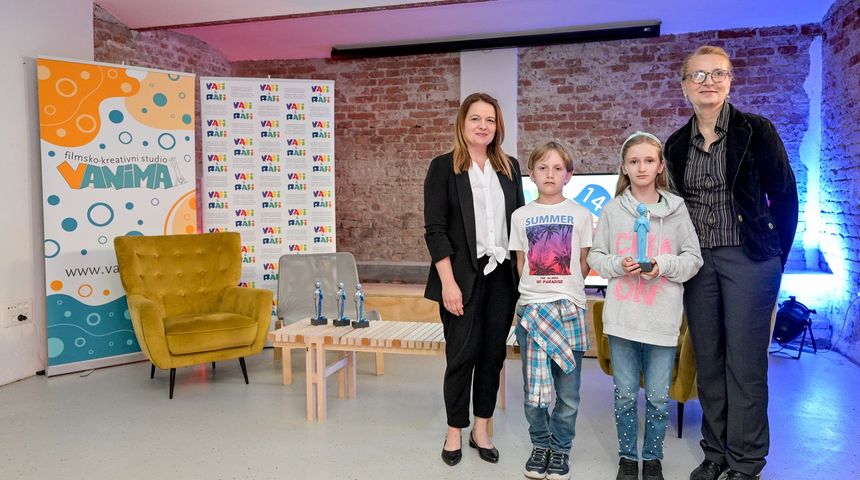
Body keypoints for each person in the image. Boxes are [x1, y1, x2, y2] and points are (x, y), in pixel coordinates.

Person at [664, 46, 799, 480]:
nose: (708, 82)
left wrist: (775, 258)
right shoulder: (676, 144)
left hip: (750, 260)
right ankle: (716, 452)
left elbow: (785, 196)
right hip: (699, 265)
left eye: (717, 73)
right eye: (698, 75)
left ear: (730, 80)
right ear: (684, 86)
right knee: (708, 360)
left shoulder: (756, 130)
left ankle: (746, 461)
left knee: (745, 364)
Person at [588, 131, 703, 480]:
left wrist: (662, 265)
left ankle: (652, 458)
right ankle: (627, 457)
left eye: (649, 160)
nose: (641, 167)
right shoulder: (612, 210)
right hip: (622, 319)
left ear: (660, 166)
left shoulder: (677, 210)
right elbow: (596, 256)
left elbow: (693, 259)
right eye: (634, 161)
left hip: (661, 320)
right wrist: (617, 264)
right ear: (624, 167)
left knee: (657, 397)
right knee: (624, 394)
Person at [423, 92, 524, 466]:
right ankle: (454, 430)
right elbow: (435, 230)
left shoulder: (509, 168)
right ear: (462, 124)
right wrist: (448, 283)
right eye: (476, 119)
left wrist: (526, 279)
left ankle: (481, 429)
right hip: (460, 277)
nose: (483, 126)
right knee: (461, 356)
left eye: (490, 120)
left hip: (502, 279)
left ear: (498, 126)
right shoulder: (443, 167)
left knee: (492, 356)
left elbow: (519, 226)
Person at [508, 141, 591, 480]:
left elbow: (584, 263)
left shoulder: (581, 214)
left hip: (569, 311)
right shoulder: (520, 216)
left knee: (568, 392)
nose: (550, 174)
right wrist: (537, 293)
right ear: (531, 174)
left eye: (558, 168)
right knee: (535, 391)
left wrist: (563, 291)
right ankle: (540, 445)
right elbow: (520, 263)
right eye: (543, 168)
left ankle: (561, 449)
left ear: (568, 175)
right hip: (532, 312)